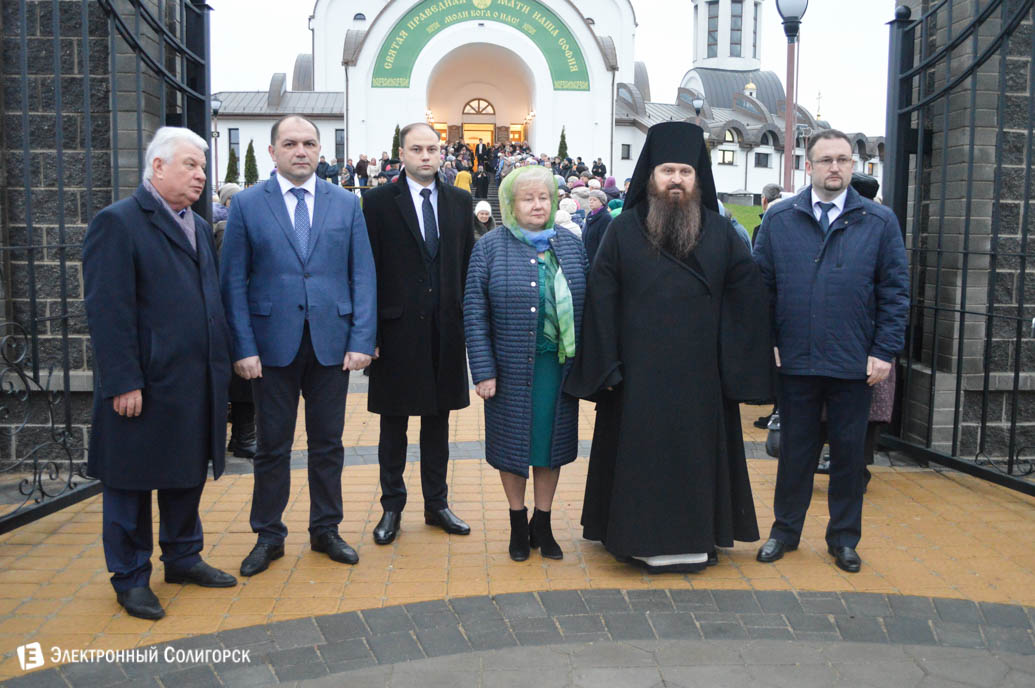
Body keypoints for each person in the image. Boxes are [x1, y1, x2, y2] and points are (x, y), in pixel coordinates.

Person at [564, 121, 771, 573]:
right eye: (666, 171)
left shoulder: (721, 233)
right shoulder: (621, 232)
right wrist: (608, 367)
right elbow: (601, 299)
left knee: (694, 459)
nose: (676, 179)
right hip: (637, 379)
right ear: (650, 176)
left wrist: (734, 365)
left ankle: (697, 540)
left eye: (685, 171)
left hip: (701, 380)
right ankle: (634, 538)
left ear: (698, 178)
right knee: (642, 461)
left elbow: (746, 300)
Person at [83, 127, 237, 620]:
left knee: (184, 475)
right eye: (191, 165)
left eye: (202, 167)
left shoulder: (195, 221)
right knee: (130, 483)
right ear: (157, 167)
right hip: (144, 385)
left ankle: (183, 556)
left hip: (194, 383)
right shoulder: (119, 223)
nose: (200, 175)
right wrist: (123, 379)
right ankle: (130, 577)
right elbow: (107, 310)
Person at [220, 115, 377, 577]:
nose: (301, 151)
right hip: (270, 348)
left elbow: (362, 275)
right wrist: (243, 348)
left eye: (309, 143)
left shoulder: (347, 203)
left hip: (331, 344)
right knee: (272, 446)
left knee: (328, 444)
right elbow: (233, 282)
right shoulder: (248, 205)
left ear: (320, 150)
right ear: (273, 152)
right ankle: (268, 534)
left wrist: (361, 339)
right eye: (290, 143)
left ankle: (326, 529)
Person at [752, 130, 909, 574]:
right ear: (809, 166)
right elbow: (761, 289)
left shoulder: (878, 223)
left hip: (853, 363)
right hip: (797, 361)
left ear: (853, 166)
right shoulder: (781, 219)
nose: (834, 168)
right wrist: (771, 343)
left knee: (847, 455)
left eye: (843, 159)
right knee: (795, 453)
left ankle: (843, 538)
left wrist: (884, 351)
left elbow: (895, 292)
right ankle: (785, 531)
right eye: (825, 160)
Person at [464, 165, 588, 561]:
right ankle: (518, 524)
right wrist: (482, 371)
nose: (537, 205)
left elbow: (592, 308)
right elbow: (474, 311)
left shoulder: (570, 245)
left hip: (558, 368)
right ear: (510, 204)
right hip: (510, 369)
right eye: (528, 198)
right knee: (512, 448)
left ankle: (543, 523)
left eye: (544, 197)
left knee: (550, 447)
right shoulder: (490, 247)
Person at [361, 122, 475, 545]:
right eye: (417, 149)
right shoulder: (376, 202)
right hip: (395, 333)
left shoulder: (460, 202)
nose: (426, 156)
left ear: (441, 153)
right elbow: (367, 269)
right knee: (393, 426)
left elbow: (464, 265)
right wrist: (367, 334)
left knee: (438, 423)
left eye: (432, 148)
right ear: (402, 154)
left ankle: (437, 504)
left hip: (445, 330)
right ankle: (392, 507)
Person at [213, 183, 256, 459]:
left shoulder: (216, 227)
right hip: (232, 317)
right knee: (241, 381)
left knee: (241, 381)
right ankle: (243, 436)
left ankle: (241, 436)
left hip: (230, 316)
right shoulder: (226, 230)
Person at [581, 189, 612, 264]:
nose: (591, 202)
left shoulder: (606, 218)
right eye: (590, 200)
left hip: (598, 261)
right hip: (586, 258)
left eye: (594, 200)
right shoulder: (589, 216)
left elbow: (605, 243)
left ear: (602, 202)